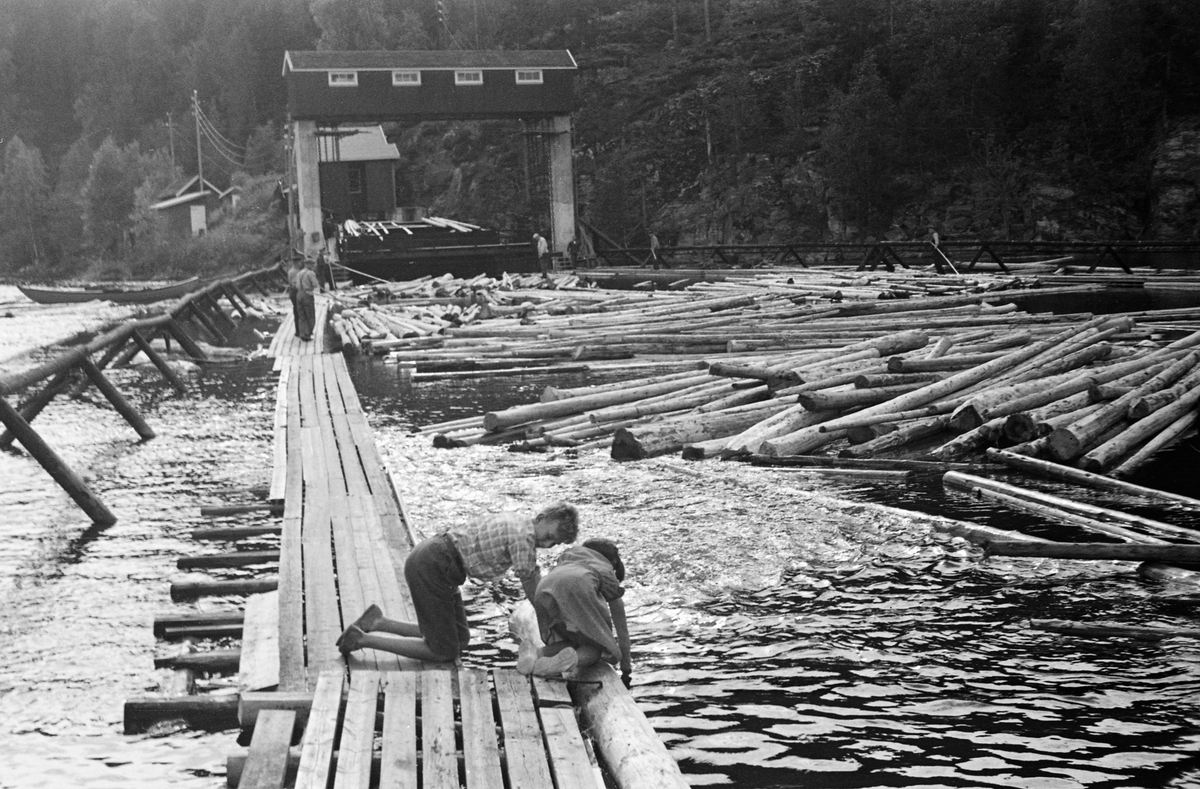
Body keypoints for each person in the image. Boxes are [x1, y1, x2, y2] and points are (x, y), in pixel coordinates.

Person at [337, 502, 580, 664]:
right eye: (549, 537)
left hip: (438, 561)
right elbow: (531, 585)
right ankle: (361, 639)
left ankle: (378, 621)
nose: (547, 545)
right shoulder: (524, 537)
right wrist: (550, 622)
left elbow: (533, 578)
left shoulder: (518, 523)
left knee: (458, 638)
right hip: (435, 565)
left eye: (554, 544)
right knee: (443, 651)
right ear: (541, 518)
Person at [517, 537, 633, 685]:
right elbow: (622, 631)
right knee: (595, 648)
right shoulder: (606, 571)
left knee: (571, 641)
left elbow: (562, 585)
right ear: (613, 562)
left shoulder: (569, 558)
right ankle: (569, 661)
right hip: (578, 586)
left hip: (544, 588)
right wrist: (626, 668)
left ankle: (534, 654)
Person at [294, 257, 320, 341]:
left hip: (299, 294)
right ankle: (307, 334)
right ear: (309, 265)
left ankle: (302, 333)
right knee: (310, 315)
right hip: (307, 294)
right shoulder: (310, 273)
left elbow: (296, 285)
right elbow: (315, 284)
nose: (314, 266)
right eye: (313, 265)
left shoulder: (299, 273)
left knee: (302, 316)